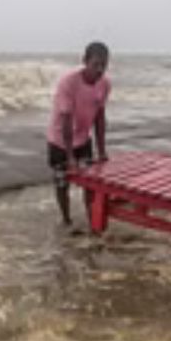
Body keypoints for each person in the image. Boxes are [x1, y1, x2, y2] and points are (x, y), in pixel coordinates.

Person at [47, 41, 111, 230]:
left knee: (90, 183)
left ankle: (92, 221)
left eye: (104, 65)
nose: (100, 70)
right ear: (85, 61)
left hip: (83, 140)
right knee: (62, 183)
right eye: (96, 64)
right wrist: (69, 157)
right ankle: (66, 219)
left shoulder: (104, 84)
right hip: (60, 141)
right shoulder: (69, 82)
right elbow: (66, 120)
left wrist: (102, 151)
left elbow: (99, 118)